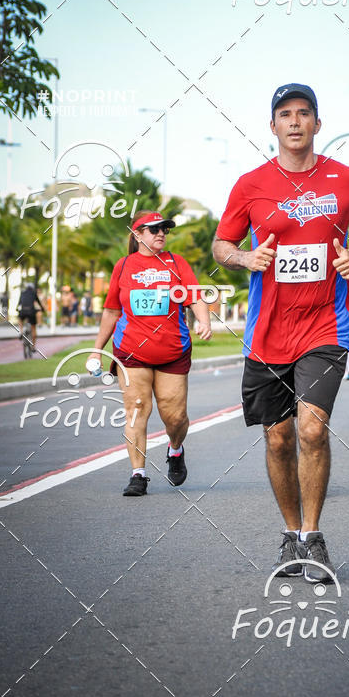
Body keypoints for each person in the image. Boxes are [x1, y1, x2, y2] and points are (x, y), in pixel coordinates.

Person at [212, 83, 349, 584]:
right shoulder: (250, 184)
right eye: (284, 115)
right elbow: (222, 244)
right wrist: (246, 256)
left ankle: (312, 537)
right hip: (267, 332)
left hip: (324, 325)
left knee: (311, 428)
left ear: (316, 123)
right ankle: (289, 533)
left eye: (303, 114)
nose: (294, 122)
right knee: (279, 438)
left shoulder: (345, 180)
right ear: (272, 126)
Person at [89, 211, 212, 496]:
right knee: (136, 410)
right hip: (131, 352)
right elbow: (111, 311)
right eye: (153, 229)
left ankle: (176, 449)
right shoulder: (123, 266)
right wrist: (96, 351)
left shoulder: (176, 262)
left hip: (172, 351)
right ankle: (138, 474)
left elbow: (195, 296)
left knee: (175, 417)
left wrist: (203, 320)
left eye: (164, 230)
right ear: (138, 235)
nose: (161, 234)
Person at [17, 282, 45, 349]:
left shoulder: (22, 293)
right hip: (31, 311)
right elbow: (39, 302)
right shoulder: (34, 293)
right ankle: (33, 347)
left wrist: (16, 309)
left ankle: (20, 332)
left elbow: (19, 303)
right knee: (33, 328)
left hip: (23, 311)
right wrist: (42, 309)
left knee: (20, 319)